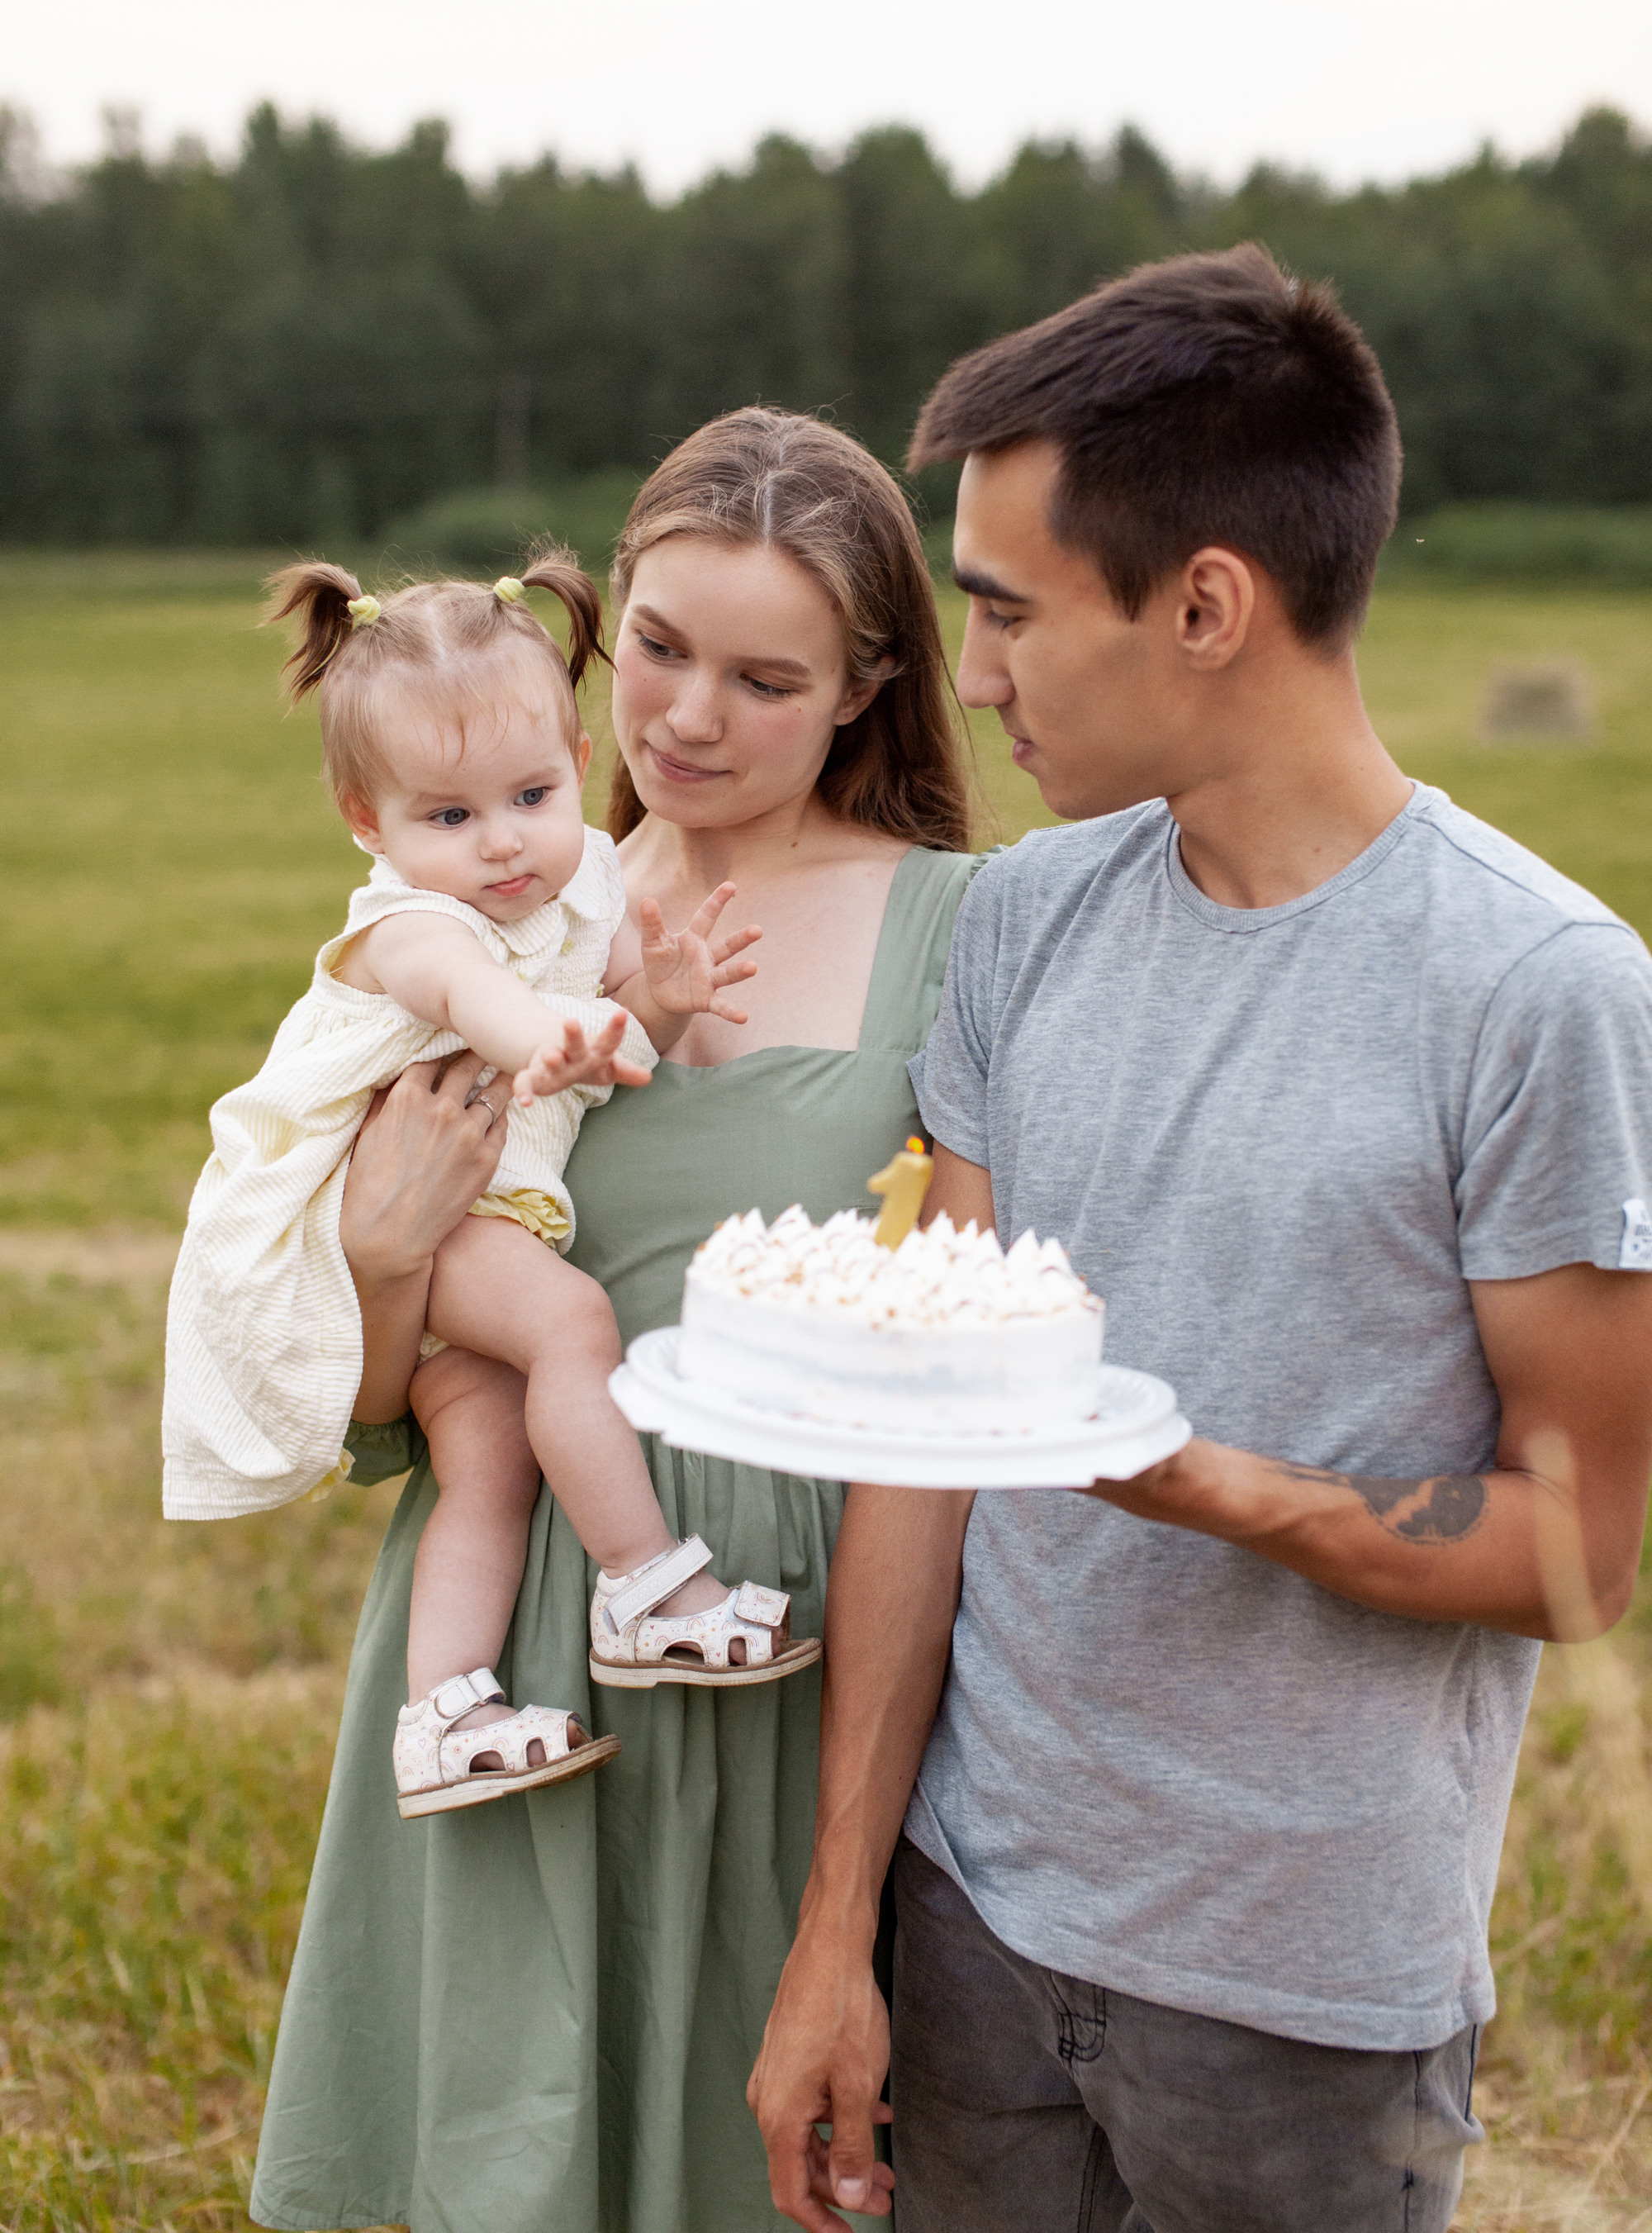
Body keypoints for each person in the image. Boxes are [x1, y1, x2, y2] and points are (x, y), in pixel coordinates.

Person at [749, 246, 1652, 2233]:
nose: (970, 679)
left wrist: (1232, 1492)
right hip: (973, 1919)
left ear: (1208, 604)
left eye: (1004, 613)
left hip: (1306, 2001)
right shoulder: (1018, 925)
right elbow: (931, 1450)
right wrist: (840, 1933)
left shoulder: (1538, 993)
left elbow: (1576, 1551)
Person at [249, 411, 983, 2232]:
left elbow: (959, 1388)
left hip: (776, 1624)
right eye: (654, 648)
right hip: (509, 1628)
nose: (687, 718)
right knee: (510, 2151)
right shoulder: (497, 913)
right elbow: (379, 1420)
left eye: (764, 674)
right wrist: (379, 1260)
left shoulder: (960, 923)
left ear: (867, 683)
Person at [169, 548, 819, 1827]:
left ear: (578, 765)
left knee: (491, 1458)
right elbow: (496, 1012)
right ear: (371, 822)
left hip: (487, 1205)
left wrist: (657, 1002)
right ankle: (644, 1588)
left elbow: (604, 1033)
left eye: (527, 795)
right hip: (417, 1200)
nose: (501, 844)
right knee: (574, 1324)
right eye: (448, 818)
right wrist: (561, 1040)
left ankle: (448, 1714)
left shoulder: (589, 882)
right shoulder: (408, 927)